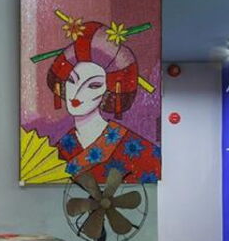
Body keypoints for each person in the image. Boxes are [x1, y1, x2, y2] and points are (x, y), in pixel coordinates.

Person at [43, 21, 159, 183]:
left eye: (94, 85)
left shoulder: (139, 150)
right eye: (72, 80)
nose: (77, 93)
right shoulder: (56, 151)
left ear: (110, 91)